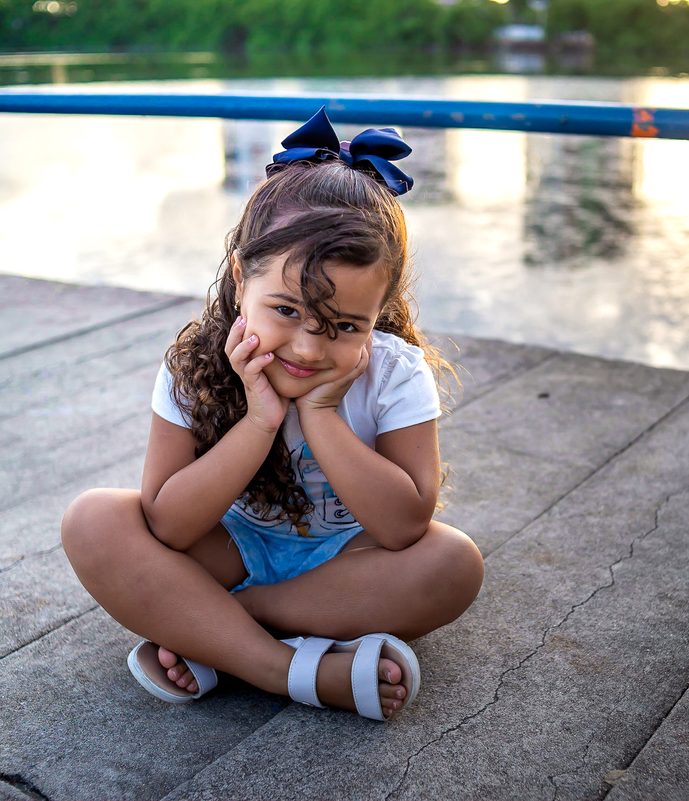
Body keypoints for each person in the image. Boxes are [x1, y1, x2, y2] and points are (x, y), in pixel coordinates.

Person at [60, 108, 485, 721]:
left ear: (379, 310)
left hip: (349, 564)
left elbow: (402, 529)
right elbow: (170, 528)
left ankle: (223, 628)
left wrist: (322, 413)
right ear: (240, 279)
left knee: (453, 564)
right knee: (94, 521)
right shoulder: (191, 367)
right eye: (286, 310)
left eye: (344, 326)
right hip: (232, 547)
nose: (309, 348)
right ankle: (287, 668)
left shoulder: (395, 372)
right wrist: (259, 422)